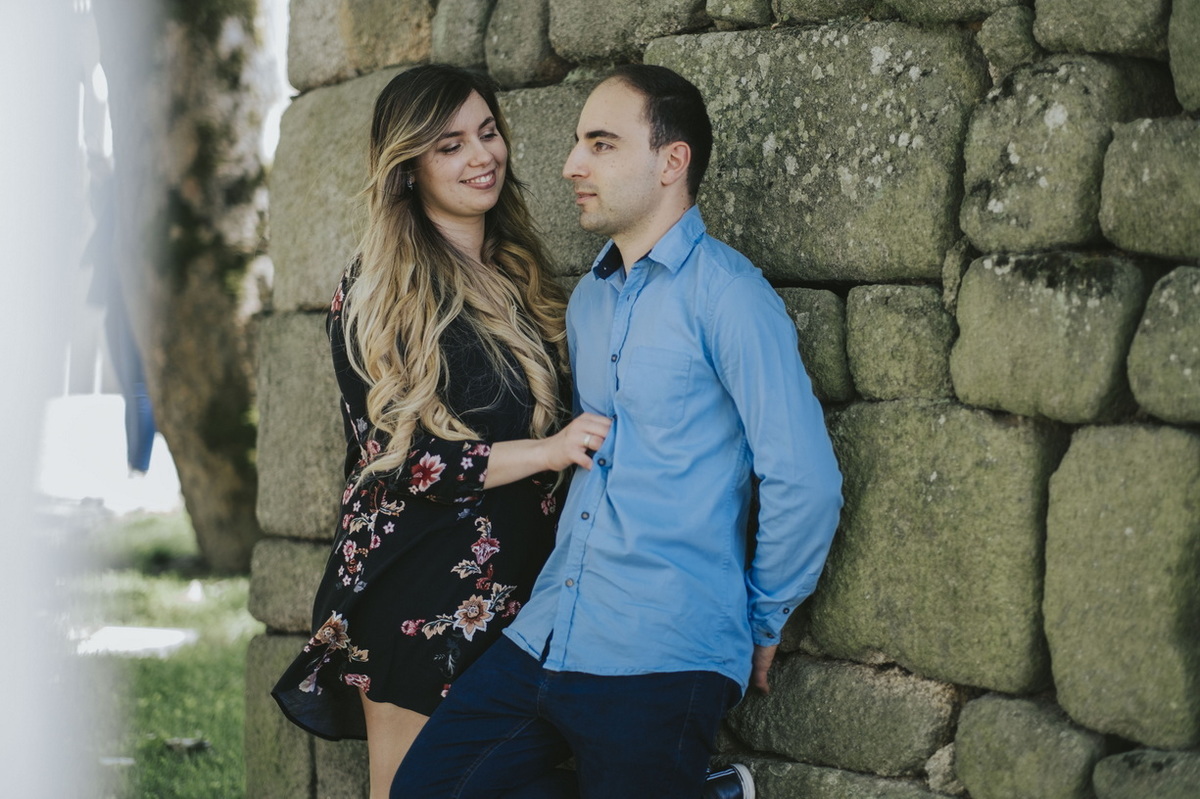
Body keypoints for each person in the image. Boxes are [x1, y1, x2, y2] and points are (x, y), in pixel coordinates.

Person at [392, 64, 843, 799]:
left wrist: (765, 619)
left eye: (601, 144)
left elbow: (805, 480)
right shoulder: (589, 303)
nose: (572, 164)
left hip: (662, 649)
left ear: (671, 161)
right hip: (549, 629)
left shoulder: (730, 297)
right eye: (579, 143)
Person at [271, 64, 613, 799]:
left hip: (523, 594)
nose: (481, 156)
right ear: (409, 168)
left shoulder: (519, 271)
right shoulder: (376, 288)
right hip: (417, 592)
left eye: (488, 133)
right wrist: (550, 451)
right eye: (450, 146)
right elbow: (404, 460)